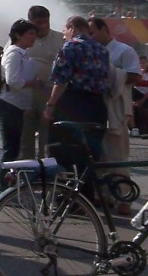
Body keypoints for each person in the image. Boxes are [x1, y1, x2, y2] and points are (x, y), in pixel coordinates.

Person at [90, 16, 144, 213]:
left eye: (93, 32)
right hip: (95, 107)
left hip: (116, 107)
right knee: (99, 156)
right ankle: (104, 195)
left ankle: (124, 197)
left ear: (104, 29)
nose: (90, 37)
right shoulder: (90, 50)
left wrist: (111, 74)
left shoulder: (124, 50)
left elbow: (136, 76)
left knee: (117, 155)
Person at [44, 15, 111, 164]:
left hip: (73, 103)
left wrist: (50, 105)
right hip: (97, 105)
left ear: (72, 29)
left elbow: (61, 81)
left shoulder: (70, 46)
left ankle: (65, 178)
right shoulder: (102, 49)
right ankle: (88, 179)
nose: (64, 36)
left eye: (65, 32)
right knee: (90, 153)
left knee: (62, 149)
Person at [0, 20, 38, 177]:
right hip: (9, 104)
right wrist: (32, 83)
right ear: (18, 35)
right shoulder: (14, 53)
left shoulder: (22, 53)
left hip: (17, 105)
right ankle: (4, 185)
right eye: (30, 34)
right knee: (10, 149)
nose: (34, 37)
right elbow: (13, 80)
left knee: (14, 148)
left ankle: (10, 182)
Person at [19, 5, 61, 157]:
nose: (43, 26)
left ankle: (47, 165)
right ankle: (27, 166)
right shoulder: (21, 39)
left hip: (49, 94)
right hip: (26, 94)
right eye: (38, 23)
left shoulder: (60, 38)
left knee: (48, 135)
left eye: (46, 22)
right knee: (25, 135)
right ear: (30, 21)